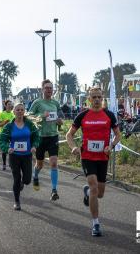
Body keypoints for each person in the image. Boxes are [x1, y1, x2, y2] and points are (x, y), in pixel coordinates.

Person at [66, 87, 121, 237]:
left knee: (100, 193)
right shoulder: (82, 115)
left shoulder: (109, 115)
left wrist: (111, 145)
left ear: (102, 98)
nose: (97, 100)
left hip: (103, 157)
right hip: (87, 157)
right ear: (89, 99)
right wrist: (73, 148)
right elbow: (69, 134)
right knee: (95, 187)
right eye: (94, 97)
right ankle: (96, 223)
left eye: (99, 97)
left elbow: (118, 135)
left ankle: (88, 192)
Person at [28, 79, 64, 201]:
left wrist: (60, 122)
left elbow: (59, 118)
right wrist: (42, 116)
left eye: (51, 88)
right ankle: (35, 176)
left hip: (53, 136)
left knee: (54, 163)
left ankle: (54, 190)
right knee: (39, 165)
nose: (49, 90)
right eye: (47, 88)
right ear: (42, 89)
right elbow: (29, 117)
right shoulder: (37, 102)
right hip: (40, 137)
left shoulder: (55, 103)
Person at [0, 103, 40, 210]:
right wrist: (7, 148)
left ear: (24, 111)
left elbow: (36, 136)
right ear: (14, 112)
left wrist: (34, 146)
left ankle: (23, 182)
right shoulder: (9, 126)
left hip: (27, 155)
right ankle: (17, 201)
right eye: (18, 110)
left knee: (27, 180)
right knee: (16, 179)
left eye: (22, 110)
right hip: (14, 156)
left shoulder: (29, 124)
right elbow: (2, 140)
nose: (20, 112)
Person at [0, 100, 15, 169]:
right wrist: (5, 122)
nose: (10, 105)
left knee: (11, 149)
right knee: (4, 150)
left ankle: (11, 163)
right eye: (8, 104)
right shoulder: (2, 114)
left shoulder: (13, 114)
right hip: (3, 134)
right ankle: (4, 164)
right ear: (5, 105)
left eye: (11, 104)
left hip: (12, 134)